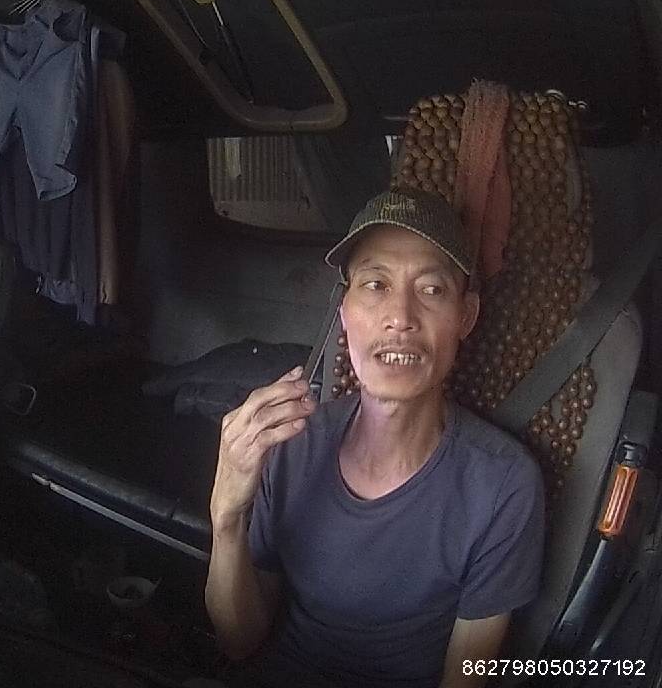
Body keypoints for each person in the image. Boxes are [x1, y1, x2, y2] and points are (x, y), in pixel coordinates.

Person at [204, 189, 545, 687]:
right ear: (344, 312)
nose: (400, 317)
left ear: (466, 317)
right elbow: (240, 642)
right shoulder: (291, 442)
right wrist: (226, 515)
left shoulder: (502, 485)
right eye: (375, 284)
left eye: (431, 290)